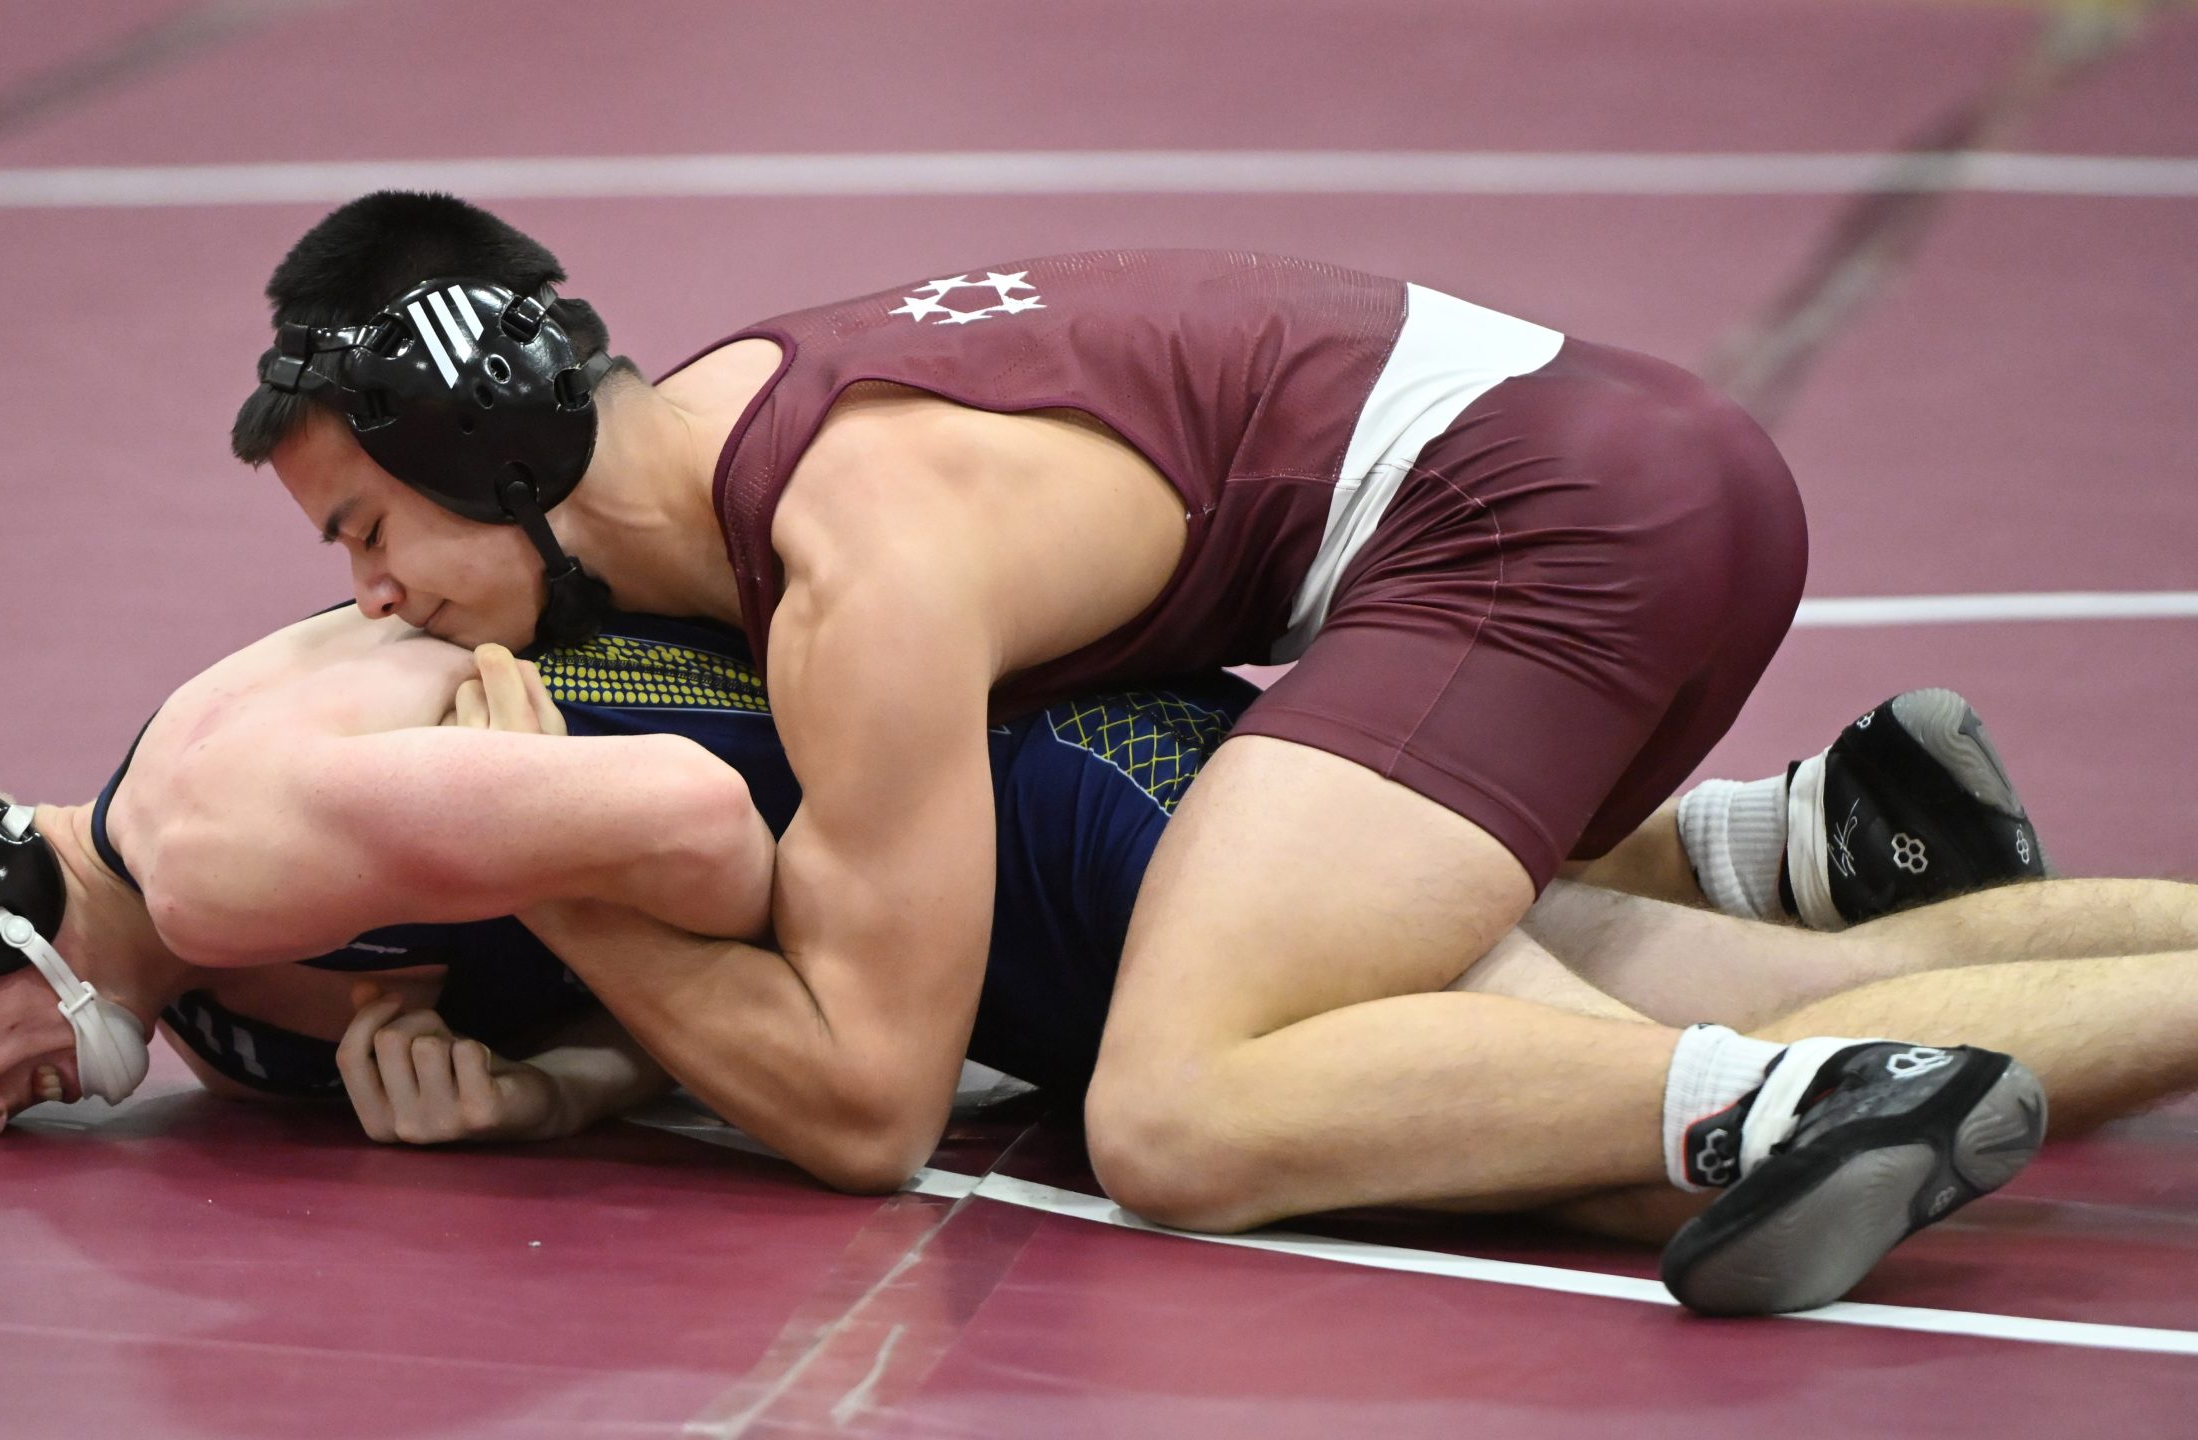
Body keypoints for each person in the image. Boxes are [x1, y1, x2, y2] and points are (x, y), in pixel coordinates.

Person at [233, 192, 2059, 1310]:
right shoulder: (731, 459)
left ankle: (1808, 1096)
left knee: (1182, 1107)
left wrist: (540, 857)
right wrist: (568, 1085)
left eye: (366, 532)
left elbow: (876, 1112)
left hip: (1545, 524)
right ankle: (1816, 840)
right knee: (1417, 969)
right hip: (1622, 482)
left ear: (487, 456)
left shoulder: (858, 570)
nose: (376, 597)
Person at [0, 598, 2142, 1313]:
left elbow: (673, 823)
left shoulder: (226, 815)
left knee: (1685, 1110)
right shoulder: (229, 1003)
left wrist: (548, 923)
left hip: (1052, 855)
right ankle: (1786, 848)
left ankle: (1781, 920)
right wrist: (534, 1098)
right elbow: (669, 987)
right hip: (1032, 836)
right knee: (1644, 1019)